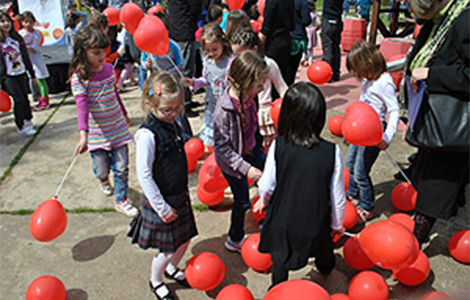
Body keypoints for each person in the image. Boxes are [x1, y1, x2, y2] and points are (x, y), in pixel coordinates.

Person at [254, 82, 346, 289]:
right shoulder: (332, 151)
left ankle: (277, 287)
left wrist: (265, 201)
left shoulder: (279, 145)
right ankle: (325, 267)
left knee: (280, 256)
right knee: (323, 248)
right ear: (320, 117)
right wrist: (337, 224)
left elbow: (267, 185)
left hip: (282, 220)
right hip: (315, 221)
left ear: (286, 115)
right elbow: (337, 195)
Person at [404, 0, 469, 247]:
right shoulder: (443, 17)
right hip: (436, 114)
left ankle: (419, 234)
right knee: (430, 172)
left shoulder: (464, 20)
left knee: (439, 179)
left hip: (452, 121)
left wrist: (432, 74)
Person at [128, 71, 198, 300]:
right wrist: (161, 207)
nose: (174, 114)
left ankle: (171, 268)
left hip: (179, 194)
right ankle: (156, 280)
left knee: (185, 238)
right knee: (168, 247)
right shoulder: (147, 135)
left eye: (177, 108)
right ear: (150, 105)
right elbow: (144, 175)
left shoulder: (172, 123)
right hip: (162, 200)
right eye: (167, 110)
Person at [69, 25, 138, 217]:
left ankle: (121, 200)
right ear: (83, 52)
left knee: (122, 167)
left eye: (104, 51)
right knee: (101, 169)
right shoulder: (80, 78)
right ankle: (103, 180)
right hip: (97, 132)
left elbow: (114, 93)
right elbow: (81, 106)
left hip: (116, 127)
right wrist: (83, 135)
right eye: (96, 53)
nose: (101, 56)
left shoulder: (108, 69)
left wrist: (124, 112)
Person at [213, 51, 269, 252]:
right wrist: (247, 169)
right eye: (259, 83)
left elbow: (251, 128)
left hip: (251, 150)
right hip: (233, 164)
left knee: (271, 177)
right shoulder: (224, 110)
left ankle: (266, 219)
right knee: (242, 201)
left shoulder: (248, 98)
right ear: (245, 82)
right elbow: (222, 148)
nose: (262, 87)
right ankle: (234, 239)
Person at [345, 41, 399, 222]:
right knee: (350, 162)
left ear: (367, 64)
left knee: (361, 170)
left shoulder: (384, 82)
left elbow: (394, 110)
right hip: (360, 128)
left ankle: (367, 206)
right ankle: (353, 195)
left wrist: (387, 136)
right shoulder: (369, 79)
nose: (356, 76)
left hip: (373, 132)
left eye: (356, 71)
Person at [230, 28, 288, 151]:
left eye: (241, 54)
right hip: (246, 112)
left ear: (254, 49)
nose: (238, 59)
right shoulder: (237, 66)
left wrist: (287, 108)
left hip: (264, 112)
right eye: (235, 55)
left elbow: (282, 88)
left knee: (267, 147)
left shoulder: (269, 64)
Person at [183, 23, 233, 147]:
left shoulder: (230, 61)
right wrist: (194, 82)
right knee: (212, 140)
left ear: (223, 43)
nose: (211, 53)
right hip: (212, 106)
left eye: (214, 49)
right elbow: (205, 80)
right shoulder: (207, 61)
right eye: (208, 50)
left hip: (227, 107)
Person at [0, 10, 37, 136]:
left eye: (7, 21)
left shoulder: (17, 38)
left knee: (25, 98)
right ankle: (20, 124)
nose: (6, 24)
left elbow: (25, 57)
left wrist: (32, 74)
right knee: (18, 99)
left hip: (21, 73)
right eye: (2, 21)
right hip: (8, 76)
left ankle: (28, 120)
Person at [19, 11, 50, 111]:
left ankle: (45, 99)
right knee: (31, 80)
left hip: (36, 60)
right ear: (22, 22)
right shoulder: (21, 33)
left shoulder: (36, 34)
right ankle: (36, 97)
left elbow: (34, 47)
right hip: (26, 61)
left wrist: (25, 47)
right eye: (26, 22)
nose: (28, 25)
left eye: (30, 22)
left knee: (41, 80)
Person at [259, 0, 295, 84]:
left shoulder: (271, 2)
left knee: (270, 78)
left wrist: (259, 44)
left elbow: (266, 28)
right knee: (283, 78)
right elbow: (292, 25)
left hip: (273, 42)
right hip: (286, 40)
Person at [286, 0, 311, 85]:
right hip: (297, 37)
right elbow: (306, 20)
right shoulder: (302, 2)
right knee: (292, 70)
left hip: (283, 36)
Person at [321, 0, 344, 82]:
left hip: (328, 18)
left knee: (328, 48)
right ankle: (336, 73)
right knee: (336, 48)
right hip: (337, 19)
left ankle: (328, 75)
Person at [302, 0, 321, 66]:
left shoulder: (305, 13)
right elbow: (319, 23)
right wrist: (316, 28)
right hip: (312, 29)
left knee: (304, 45)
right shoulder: (314, 14)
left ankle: (303, 57)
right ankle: (310, 60)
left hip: (306, 29)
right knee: (311, 48)